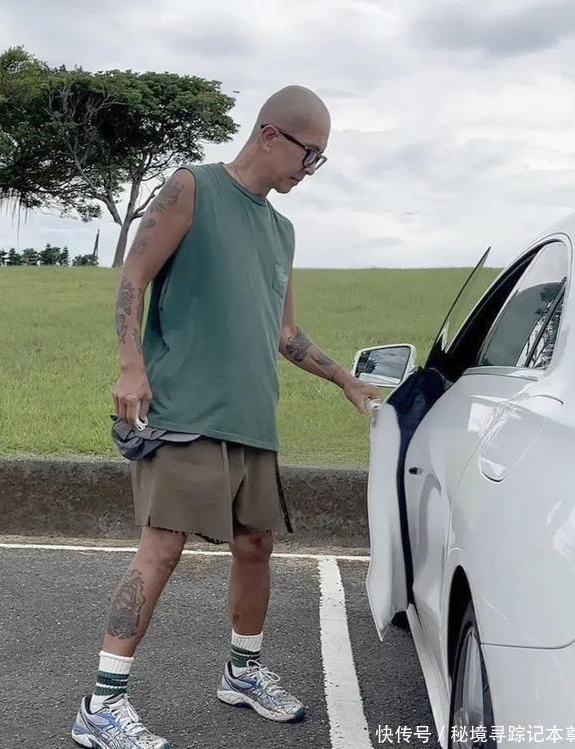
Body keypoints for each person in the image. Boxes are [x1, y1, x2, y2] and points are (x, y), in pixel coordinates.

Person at [71, 85, 381, 749]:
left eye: (320, 158)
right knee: (162, 547)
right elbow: (133, 276)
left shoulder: (281, 231)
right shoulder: (193, 188)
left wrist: (345, 380)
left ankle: (241, 672)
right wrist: (131, 365)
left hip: (252, 418)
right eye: (309, 153)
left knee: (256, 546)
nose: (311, 168)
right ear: (269, 135)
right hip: (186, 410)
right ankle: (102, 703)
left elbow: (285, 332)